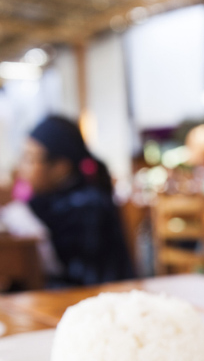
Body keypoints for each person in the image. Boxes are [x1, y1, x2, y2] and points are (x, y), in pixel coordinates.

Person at [14, 115, 134, 287]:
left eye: (30, 159)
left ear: (61, 167)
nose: (21, 168)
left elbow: (85, 281)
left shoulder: (88, 206)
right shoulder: (44, 203)